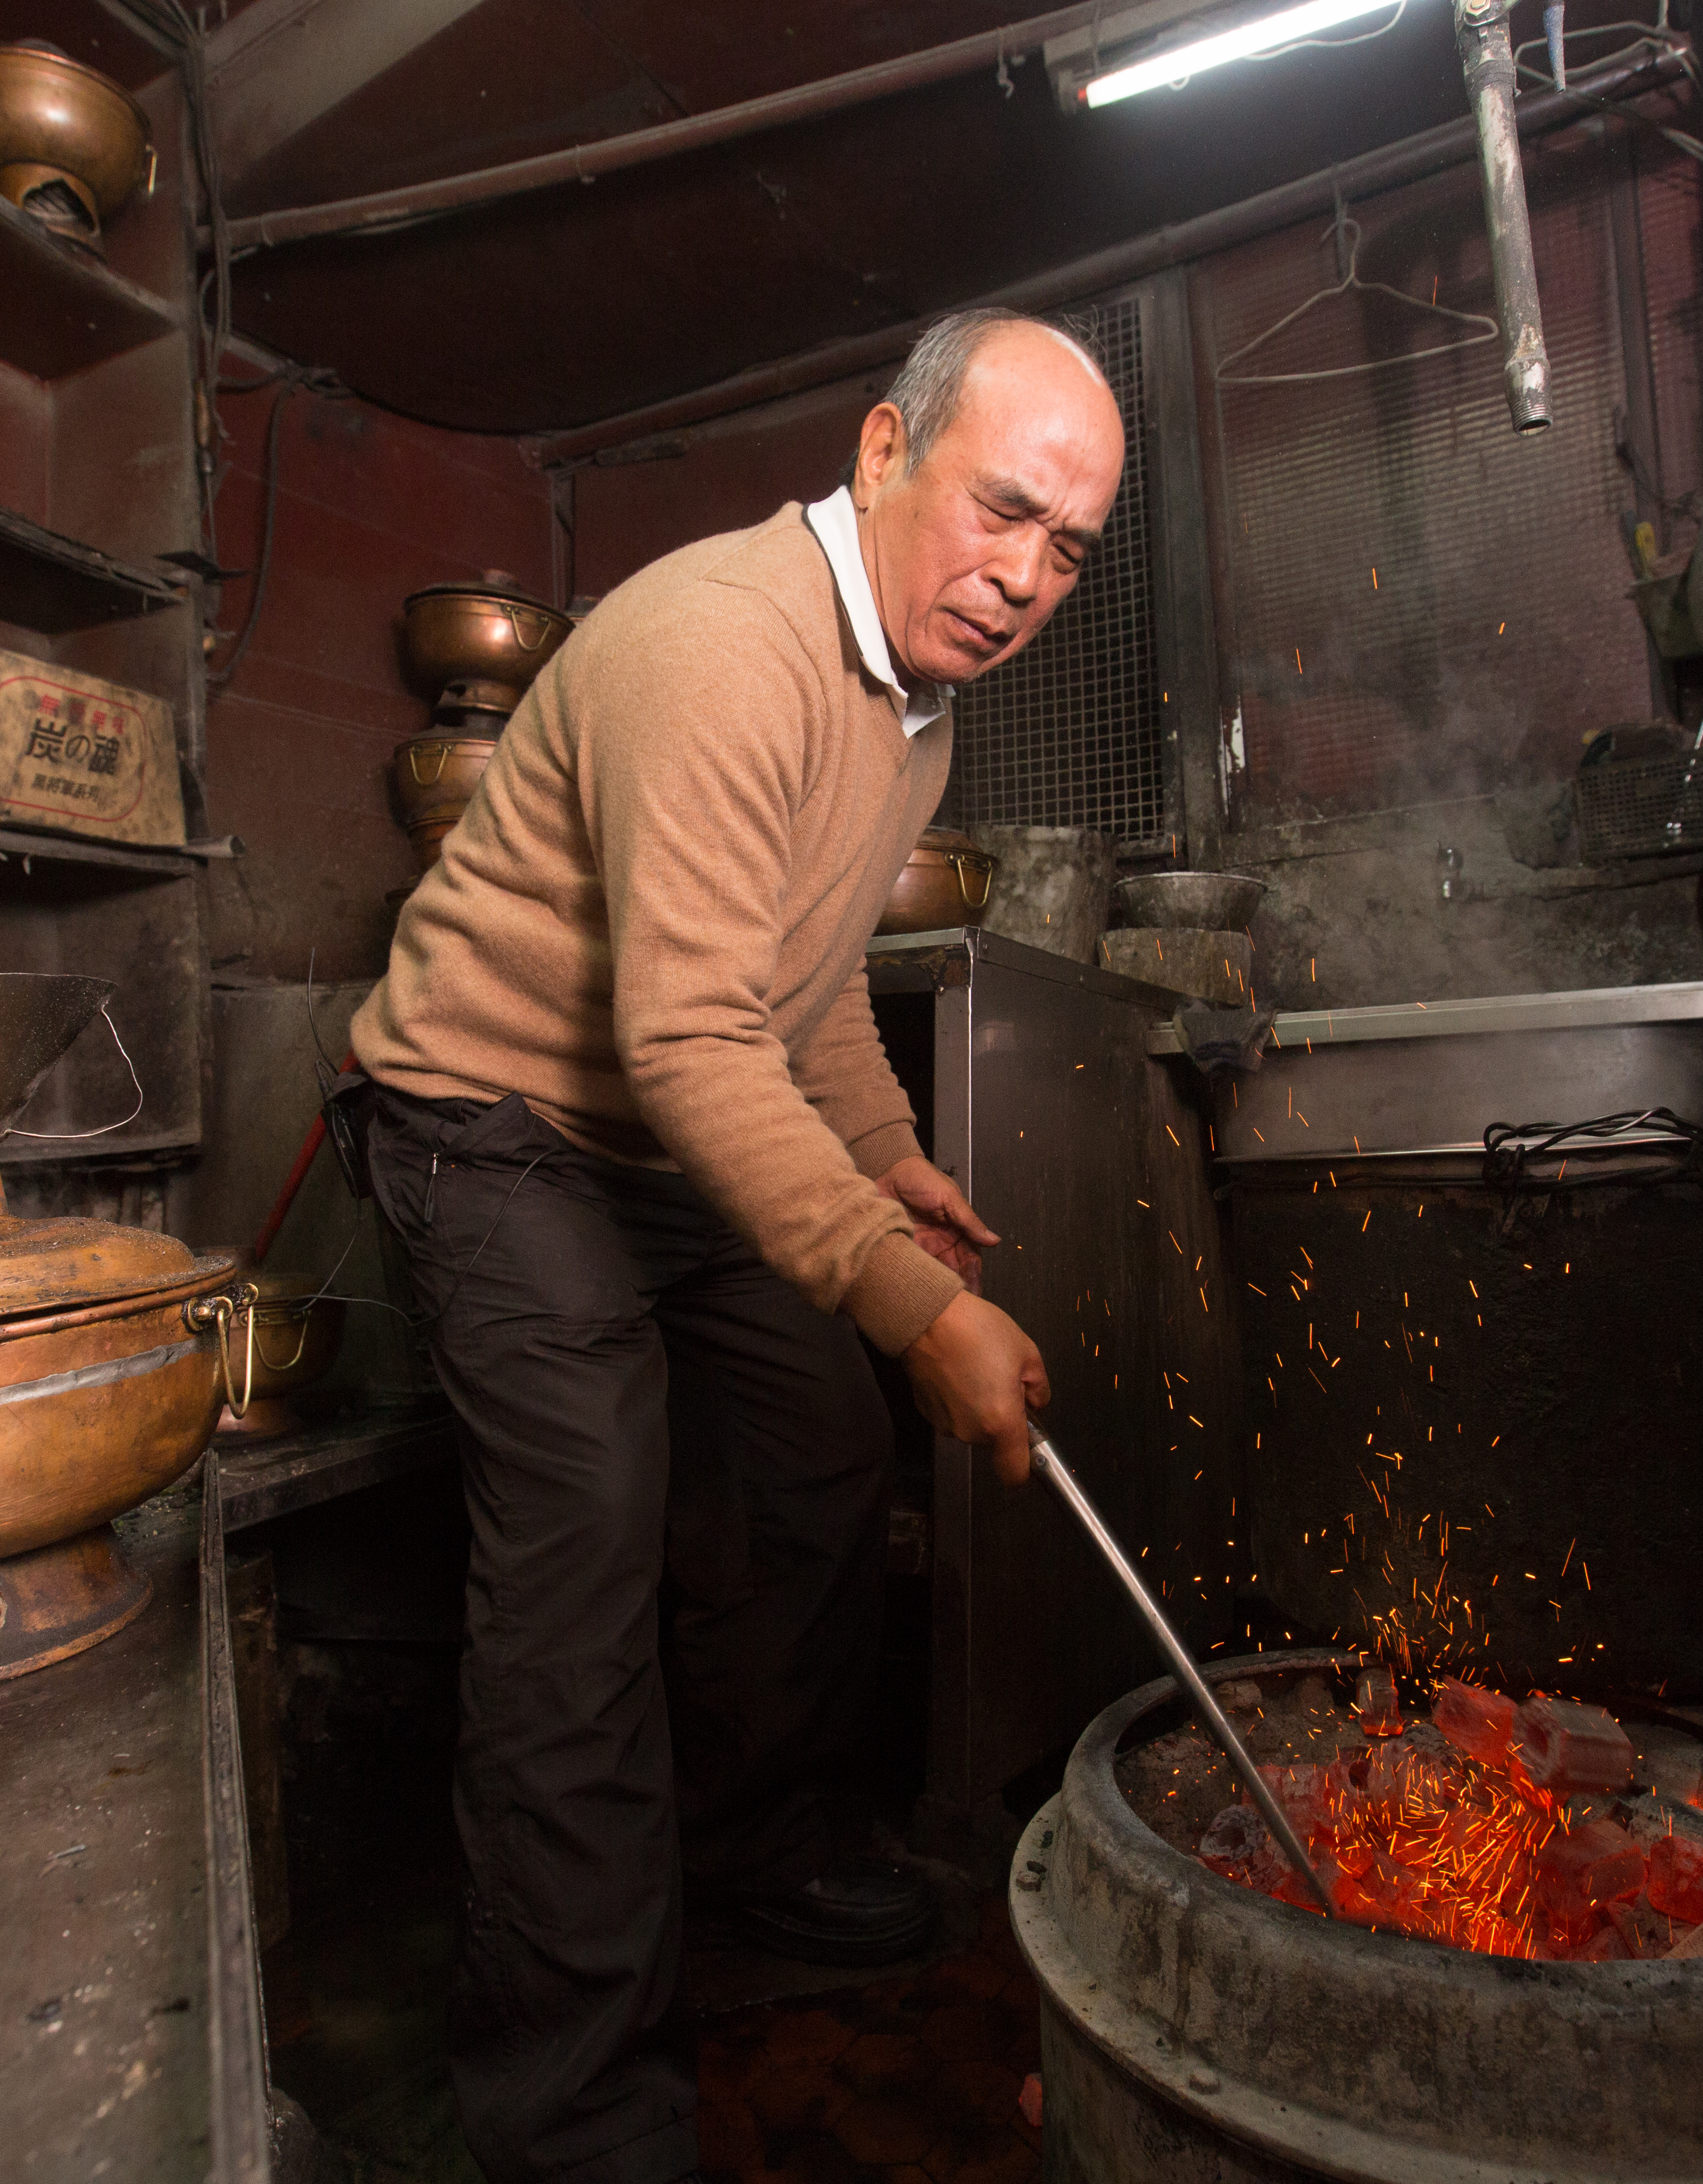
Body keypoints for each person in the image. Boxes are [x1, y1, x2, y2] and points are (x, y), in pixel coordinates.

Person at [343, 308, 1127, 2184]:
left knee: (821, 1448)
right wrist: (904, 1288)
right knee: (588, 1539)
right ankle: (571, 2108)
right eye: (1001, 513)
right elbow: (689, 1033)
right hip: (490, 1127)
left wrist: (889, 1169)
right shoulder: (723, 644)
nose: (1023, 580)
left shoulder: (917, 711)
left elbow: (807, 981)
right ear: (882, 453)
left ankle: (749, 1863)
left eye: (1069, 551)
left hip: (658, 1143)